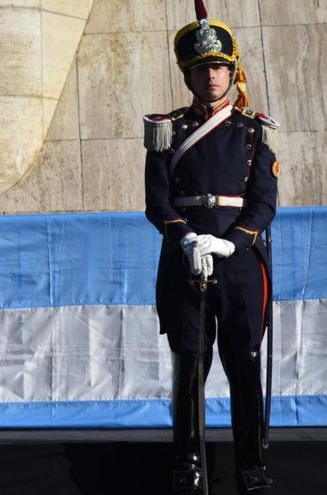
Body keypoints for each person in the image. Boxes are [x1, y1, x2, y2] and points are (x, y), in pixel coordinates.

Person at [143, 1, 278, 493]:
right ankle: (187, 460)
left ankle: (251, 461)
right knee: (190, 364)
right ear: (189, 76)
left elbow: (263, 203)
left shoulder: (254, 130)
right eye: (202, 70)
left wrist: (229, 244)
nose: (212, 77)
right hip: (185, 259)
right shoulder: (166, 129)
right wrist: (187, 237)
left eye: (219, 67)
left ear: (232, 70)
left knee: (243, 362)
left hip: (238, 262)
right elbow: (156, 201)